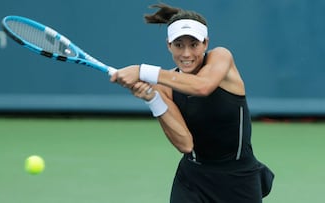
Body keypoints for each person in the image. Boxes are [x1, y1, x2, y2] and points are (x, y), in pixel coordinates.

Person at [110, 3, 274, 203]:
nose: (186, 54)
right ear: (168, 45)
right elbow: (185, 144)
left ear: (206, 43)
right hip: (192, 181)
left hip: (239, 180)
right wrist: (153, 99)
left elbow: (202, 87)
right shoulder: (165, 85)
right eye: (179, 45)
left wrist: (142, 70)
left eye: (194, 45)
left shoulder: (221, 57)